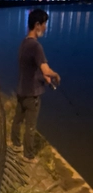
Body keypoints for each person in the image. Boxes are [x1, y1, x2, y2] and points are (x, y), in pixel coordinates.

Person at [11, 9, 61, 164]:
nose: (46, 27)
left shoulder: (24, 43)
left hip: (21, 91)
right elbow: (46, 69)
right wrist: (55, 75)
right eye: (45, 24)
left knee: (18, 120)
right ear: (37, 25)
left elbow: (30, 68)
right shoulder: (36, 46)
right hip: (32, 94)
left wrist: (43, 77)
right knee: (30, 126)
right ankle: (28, 155)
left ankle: (15, 144)